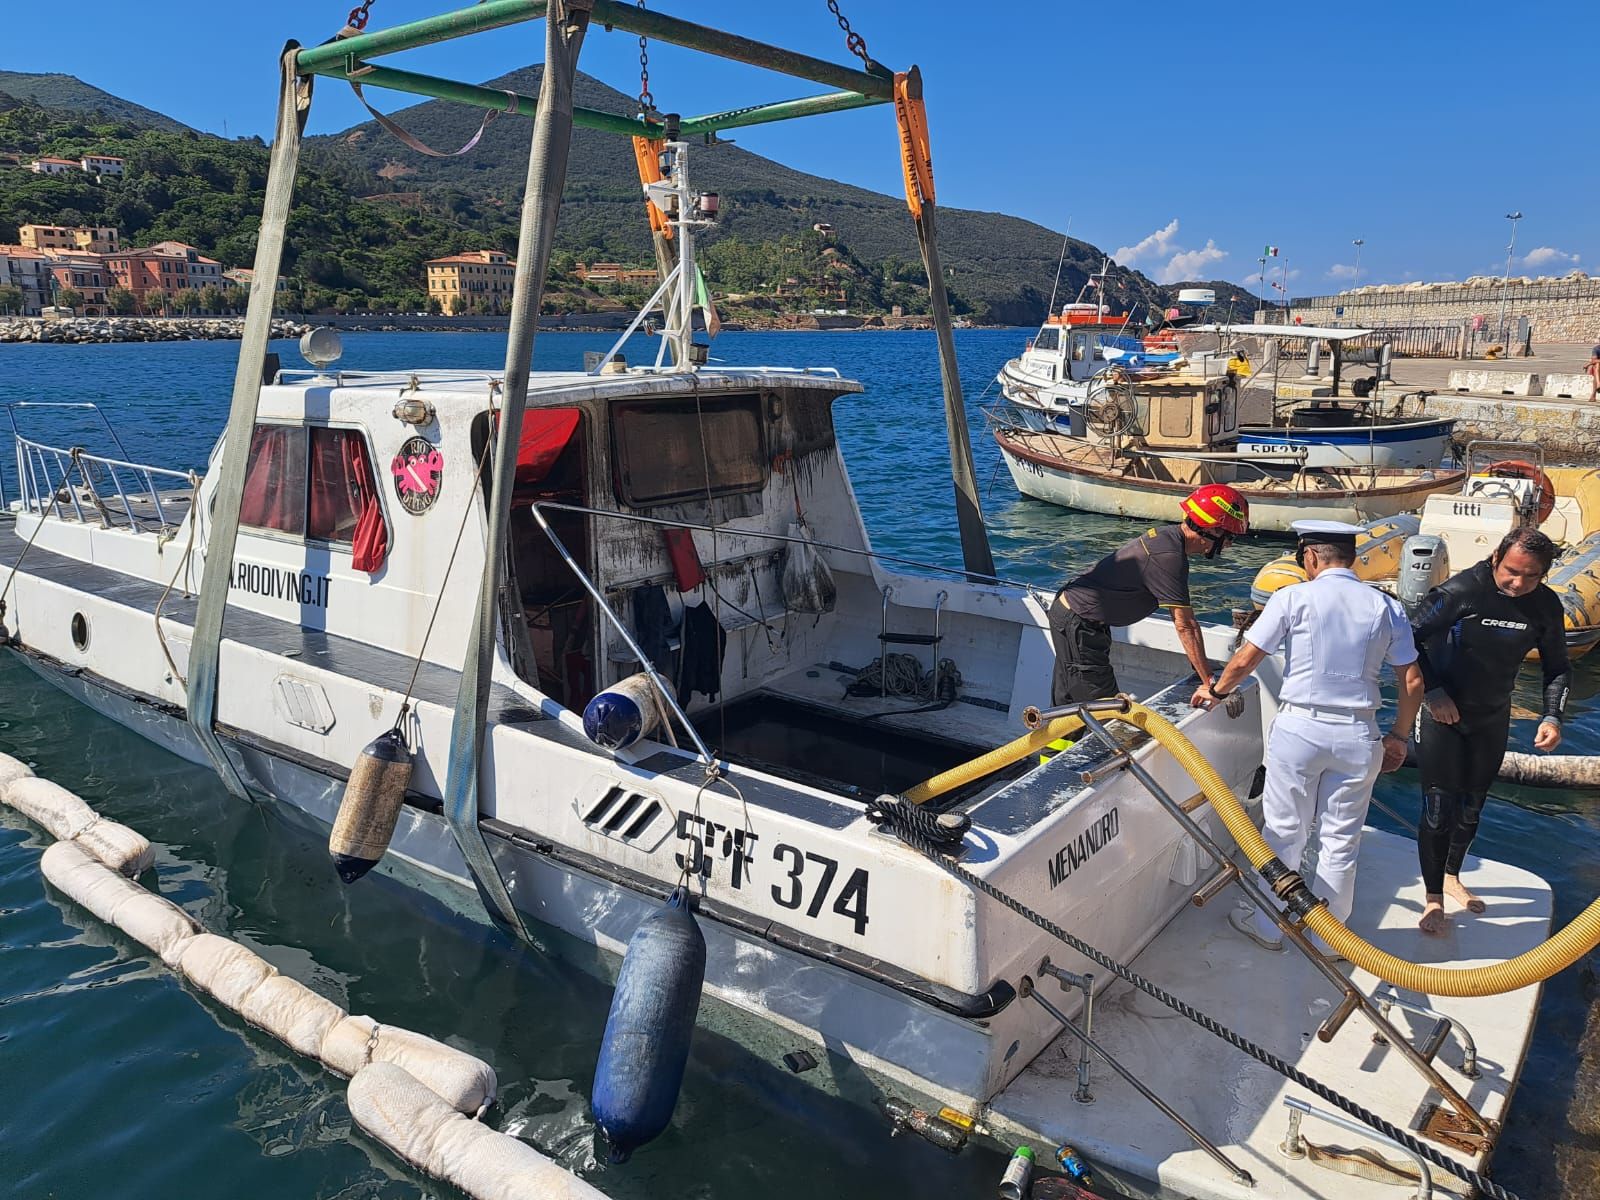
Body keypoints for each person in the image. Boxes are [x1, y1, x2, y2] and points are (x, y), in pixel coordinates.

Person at [1194, 521, 1424, 953]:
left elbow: (1246, 658)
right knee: (1341, 838)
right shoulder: (1386, 607)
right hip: (1359, 733)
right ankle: (1331, 941)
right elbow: (1412, 680)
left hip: (1301, 728)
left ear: (1311, 557)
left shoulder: (1291, 598)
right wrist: (1398, 736)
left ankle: (1268, 927)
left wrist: (1216, 691)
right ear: (1350, 558)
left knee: (1284, 832)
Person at [1409, 527, 1569, 933]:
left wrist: (1552, 715)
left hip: (1492, 716)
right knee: (1439, 807)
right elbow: (1405, 640)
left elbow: (1557, 666)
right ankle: (1432, 898)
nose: (1518, 584)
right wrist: (1434, 691)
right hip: (1443, 715)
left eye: (1531, 576)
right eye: (1512, 571)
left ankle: (1451, 875)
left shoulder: (1545, 606)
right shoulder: (1460, 591)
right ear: (1497, 556)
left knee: (1471, 806)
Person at [1048, 484, 1249, 705]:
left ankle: (1060, 739)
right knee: (1105, 709)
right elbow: (1186, 626)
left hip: (1077, 618)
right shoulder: (1169, 557)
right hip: (1080, 624)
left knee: (1069, 704)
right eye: (1230, 537)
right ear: (1213, 530)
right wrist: (1210, 682)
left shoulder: (1168, 538)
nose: (1229, 545)